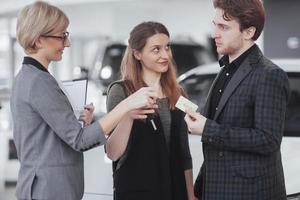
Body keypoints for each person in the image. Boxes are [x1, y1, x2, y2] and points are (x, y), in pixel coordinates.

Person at [10, 2, 157, 200]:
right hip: (48, 191)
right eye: (62, 36)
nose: (67, 44)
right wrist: (127, 104)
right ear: (38, 41)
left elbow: (51, 137)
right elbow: (79, 140)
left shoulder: (30, 77)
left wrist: (80, 124)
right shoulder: (38, 81)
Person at [184, 0, 290, 199]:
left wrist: (208, 129)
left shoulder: (269, 74)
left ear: (248, 32)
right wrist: (198, 189)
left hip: (249, 193)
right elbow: (214, 146)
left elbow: (268, 140)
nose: (214, 33)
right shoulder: (224, 70)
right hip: (215, 190)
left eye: (223, 27)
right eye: (214, 25)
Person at [105, 21, 197, 200]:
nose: (165, 55)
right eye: (156, 49)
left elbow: (184, 152)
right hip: (137, 191)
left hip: (174, 190)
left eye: (167, 47)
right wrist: (128, 117)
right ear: (137, 53)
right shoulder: (120, 91)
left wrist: (190, 194)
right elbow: (112, 153)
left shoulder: (179, 93)